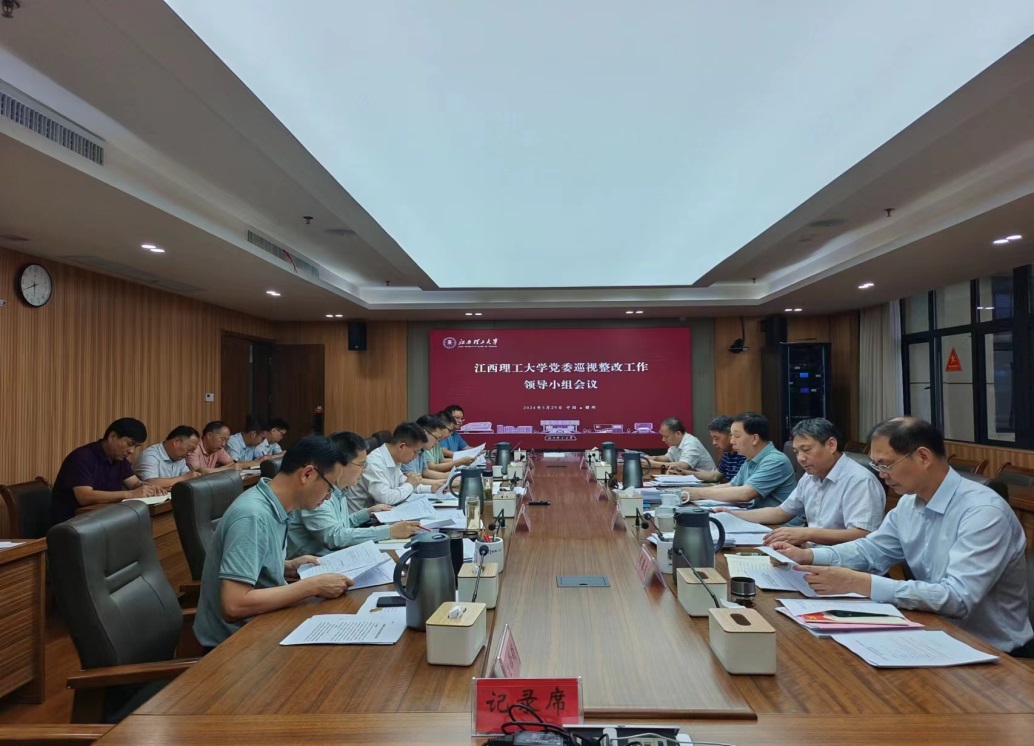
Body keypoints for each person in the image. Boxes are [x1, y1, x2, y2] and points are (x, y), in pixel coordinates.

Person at [770, 417, 1034, 655]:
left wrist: (861, 583)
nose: (881, 474)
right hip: (931, 630)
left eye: (886, 465)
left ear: (923, 457)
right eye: (876, 465)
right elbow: (871, 551)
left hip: (992, 651)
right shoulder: (909, 503)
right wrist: (808, 555)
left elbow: (957, 598)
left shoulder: (983, 512)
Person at [194, 435, 355, 649]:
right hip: (236, 646)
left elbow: (253, 562)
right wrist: (313, 586)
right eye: (330, 487)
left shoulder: (277, 506)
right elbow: (234, 604)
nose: (329, 497)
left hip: (267, 623)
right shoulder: (253, 515)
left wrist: (286, 566)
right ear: (307, 474)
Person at [714, 418, 885, 546]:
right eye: (796, 452)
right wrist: (733, 515)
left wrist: (807, 534)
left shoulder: (859, 481)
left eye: (806, 450)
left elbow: (862, 534)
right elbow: (781, 513)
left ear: (831, 445)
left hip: (847, 566)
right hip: (813, 553)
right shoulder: (810, 476)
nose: (801, 458)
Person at [287, 431, 420, 557]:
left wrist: (367, 513)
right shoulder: (319, 492)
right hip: (308, 565)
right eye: (361, 464)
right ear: (341, 464)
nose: (364, 470)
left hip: (333, 556)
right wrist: (390, 531)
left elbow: (340, 525)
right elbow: (336, 537)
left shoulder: (340, 489)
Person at [51, 418, 162, 524]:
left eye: (136, 446)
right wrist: (130, 494)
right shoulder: (82, 457)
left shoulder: (119, 459)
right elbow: (84, 497)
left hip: (103, 518)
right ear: (112, 436)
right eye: (129, 444)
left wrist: (149, 488)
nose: (132, 451)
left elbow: (134, 483)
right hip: (72, 523)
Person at [680, 412, 796, 508]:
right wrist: (692, 492)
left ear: (755, 439)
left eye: (736, 436)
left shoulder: (775, 461)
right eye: (731, 436)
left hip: (780, 525)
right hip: (758, 518)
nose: (732, 441)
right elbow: (731, 485)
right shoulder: (750, 459)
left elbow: (745, 493)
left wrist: (700, 493)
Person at [346, 422, 430, 512]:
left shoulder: (394, 458)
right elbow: (386, 499)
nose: (415, 457)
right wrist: (409, 484)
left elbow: (403, 485)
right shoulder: (374, 463)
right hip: (362, 518)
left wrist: (431, 488)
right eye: (415, 452)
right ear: (402, 446)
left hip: (379, 514)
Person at [668, 415, 746, 482]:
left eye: (717, 438)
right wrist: (683, 472)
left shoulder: (743, 454)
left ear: (730, 435)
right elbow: (714, 476)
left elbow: (739, 486)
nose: (714, 443)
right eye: (712, 438)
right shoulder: (727, 454)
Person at [134, 426, 202, 490]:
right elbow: (149, 483)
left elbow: (188, 477)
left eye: (192, 451)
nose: (189, 454)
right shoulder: (150, 456)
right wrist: (184, 478)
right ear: (177, 442)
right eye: (189, 449)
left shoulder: (180, 457)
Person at [646, 417, 716, 473]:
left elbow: (684, 465)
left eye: (666, 437)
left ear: (678, 434)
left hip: (707, 481)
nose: (663, 440)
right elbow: (668, 457)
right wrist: (654, 458)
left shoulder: (691, 443)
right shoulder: (675, 443)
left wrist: (653, 464)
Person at [401, 415, 450, 489]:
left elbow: (425, 472)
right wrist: (445, 482)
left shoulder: (422, 450)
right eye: (437, 438)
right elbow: (412, 480)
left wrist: (448, 476)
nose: (437, 443)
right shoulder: (408, 449)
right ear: (424, 434)